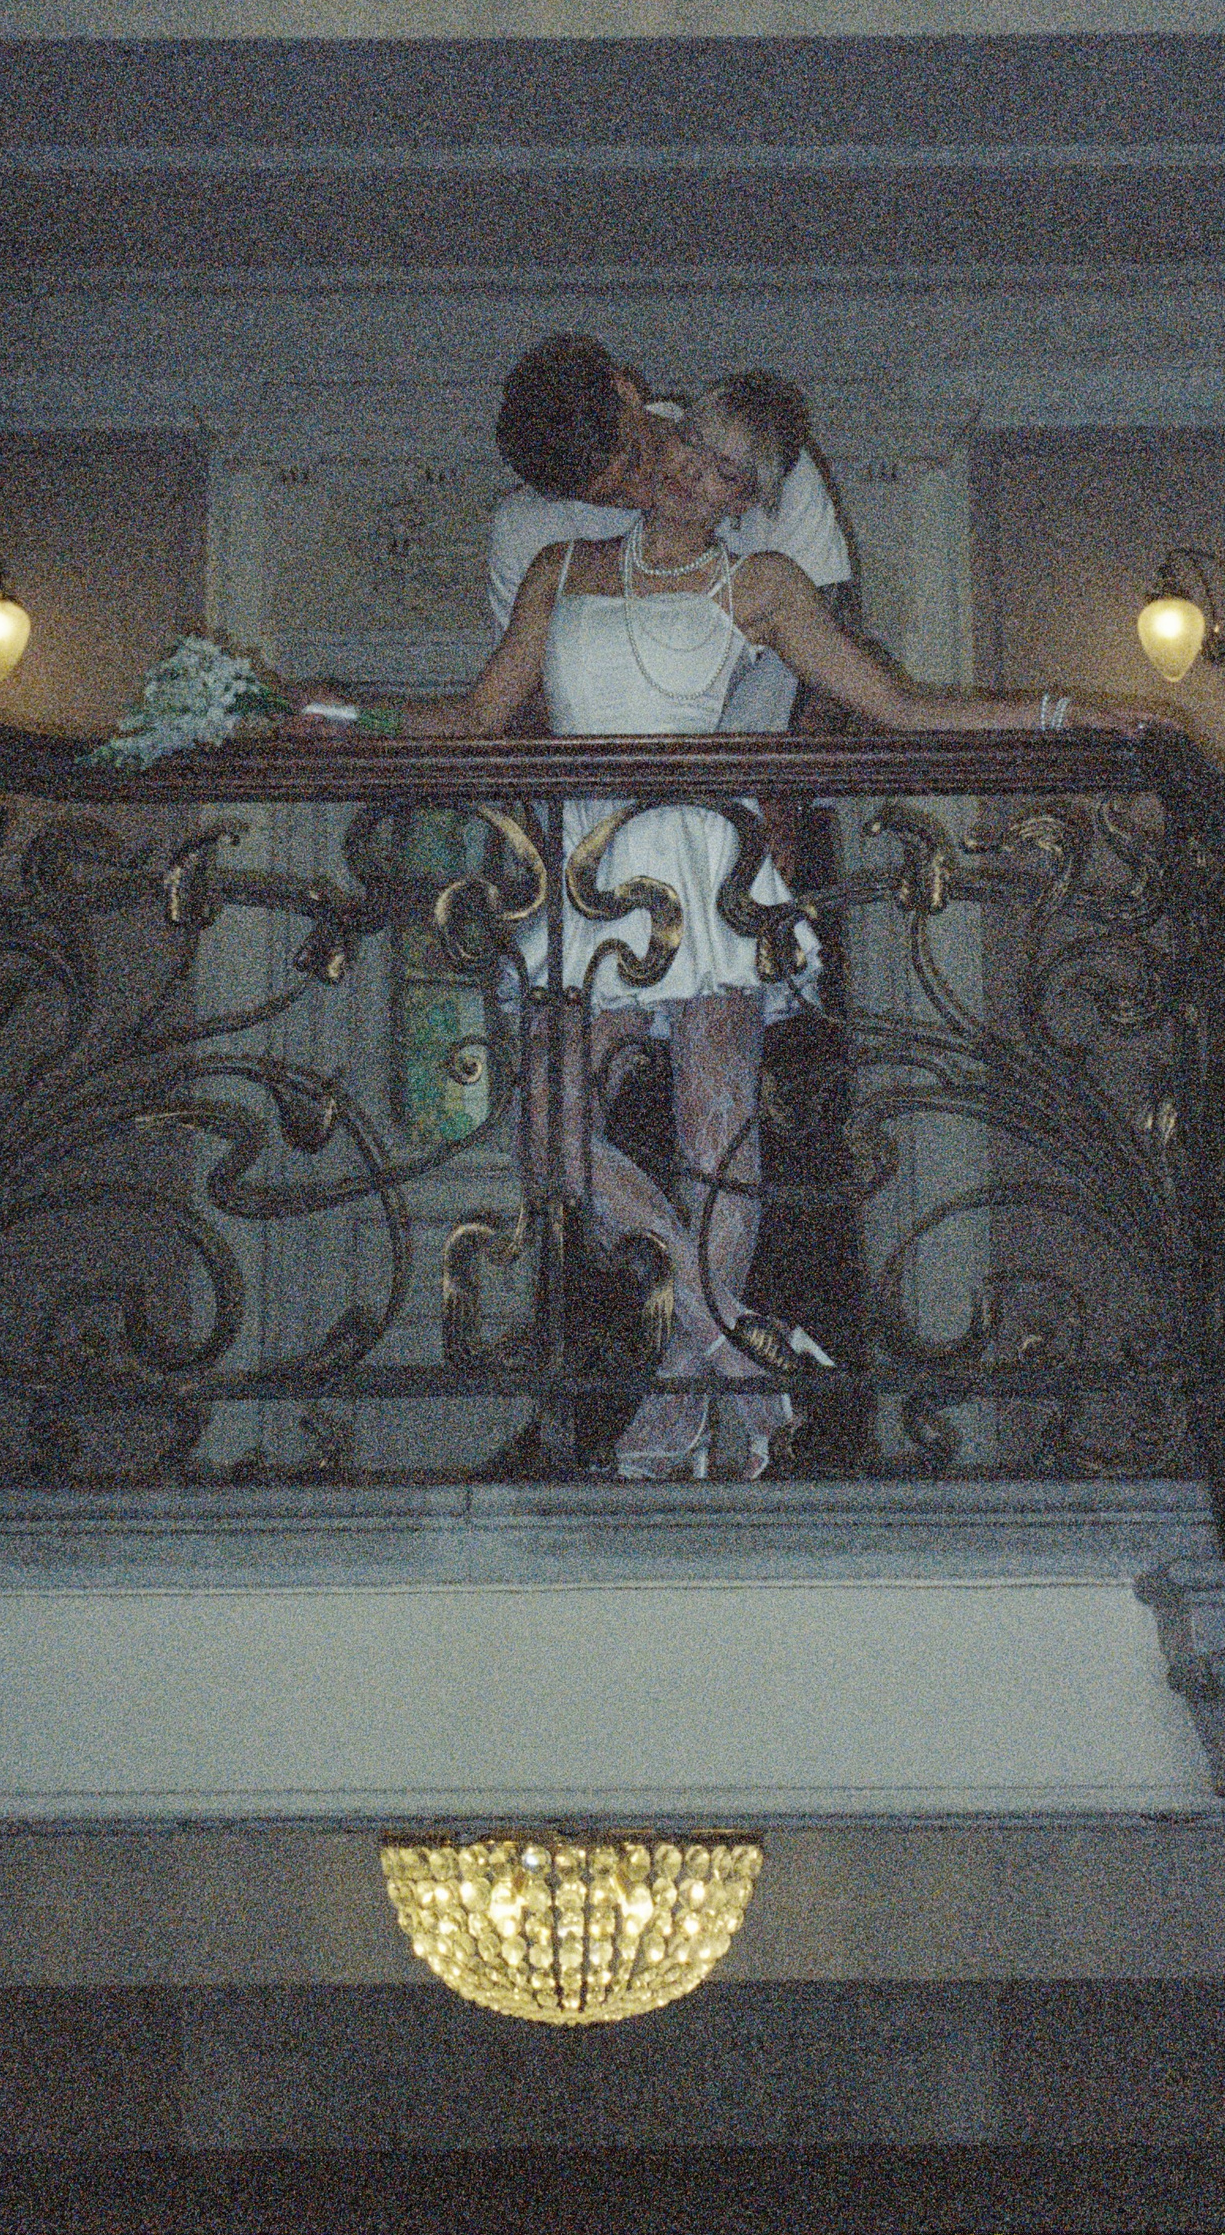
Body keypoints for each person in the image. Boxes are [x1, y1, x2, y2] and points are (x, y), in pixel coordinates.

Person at [287, 380, 1136, 1482]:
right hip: (586, 874)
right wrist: (346, 714)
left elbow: (904, 708)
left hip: (708, 869)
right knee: (548, 1133)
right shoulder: (560, 567)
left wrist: (1067, 711)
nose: (697, 472)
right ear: (668, 438)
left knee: (713, 1147)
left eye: (730, 470)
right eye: (694, 445)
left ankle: (681, 1395)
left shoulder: (763, 584)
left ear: (748, 499)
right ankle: (740, 1342)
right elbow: (477, 718)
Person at [486, 334, 856, 735]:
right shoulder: (526, 528)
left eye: (634, 459)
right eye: (609, 498)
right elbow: (523, 699)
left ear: (626, 390)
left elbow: (831, 653)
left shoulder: (764, 459)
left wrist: (791, 767)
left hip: (759, 759)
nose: (640, 492)